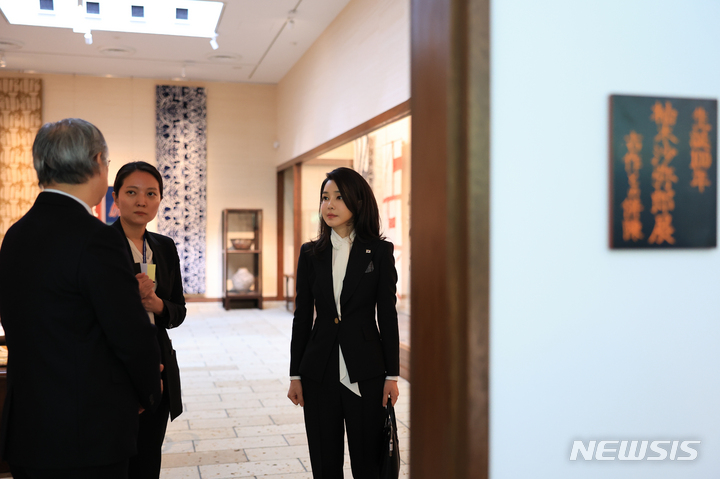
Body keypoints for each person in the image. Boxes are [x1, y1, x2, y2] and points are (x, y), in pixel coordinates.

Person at [0, 118, 162, 479]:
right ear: (97, 161)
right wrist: (148, 392)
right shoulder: (96, 238)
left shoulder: (16, 235)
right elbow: (130, 334)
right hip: (86, 433)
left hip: (28, 429)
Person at [287, 167, 400, 479]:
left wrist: (392, 375)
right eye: (325, 197)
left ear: (358, 202)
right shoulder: (310, 253)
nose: (330, 205)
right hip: (318, 372)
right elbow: (302, 316)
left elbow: (387, 315)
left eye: (338, 197)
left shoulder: (379, 251)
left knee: (368, 465)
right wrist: (295, 374)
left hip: (366, 371)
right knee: (325, 465)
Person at [111, 161, 186, 479]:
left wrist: (157, 305)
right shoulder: (99, 246)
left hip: (159, 368)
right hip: (115, 370)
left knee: (148, 459)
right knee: (117, 461)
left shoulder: (164, 248)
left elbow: (178, 311)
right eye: (132, 192)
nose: (142, 201)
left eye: (151, 194)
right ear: (116, 197)